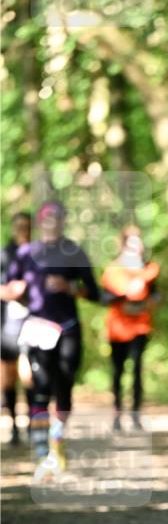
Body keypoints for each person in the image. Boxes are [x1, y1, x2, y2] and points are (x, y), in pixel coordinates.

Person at [4, 200, 100, 479]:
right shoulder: (26, 253)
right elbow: (7, 289)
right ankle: (41, 449)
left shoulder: (74, 252)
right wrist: (14, 290)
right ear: (40, 222)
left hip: (68, 328)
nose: (51, 223)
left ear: (63, 221)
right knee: (40, 387)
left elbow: (94, 293)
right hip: (37, 328)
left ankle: (57, 440)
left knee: (65, 386)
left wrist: (71, 287)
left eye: (57, 218)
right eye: (47, 218)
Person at [101, 225, 159, 432]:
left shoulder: (149, 269)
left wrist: (149, 301)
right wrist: (125, 293)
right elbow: (104, 297)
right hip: (117, 328)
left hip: (141, 326)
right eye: (132, 243)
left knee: (137, 369)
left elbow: (155, 294)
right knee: (118, 371)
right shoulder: (113, 270)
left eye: (139, 242)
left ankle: (136, 414)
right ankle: (117, 414)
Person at [1, 212, 33, 444]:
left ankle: (33, 423)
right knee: (8, 376)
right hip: (6, 323)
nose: (23, 230)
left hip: (31, 323)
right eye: (20, 226)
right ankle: (14, 426)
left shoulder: (38, 254)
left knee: (29, 374)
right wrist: (12, 291)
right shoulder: (5, 254)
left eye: (27, 226)